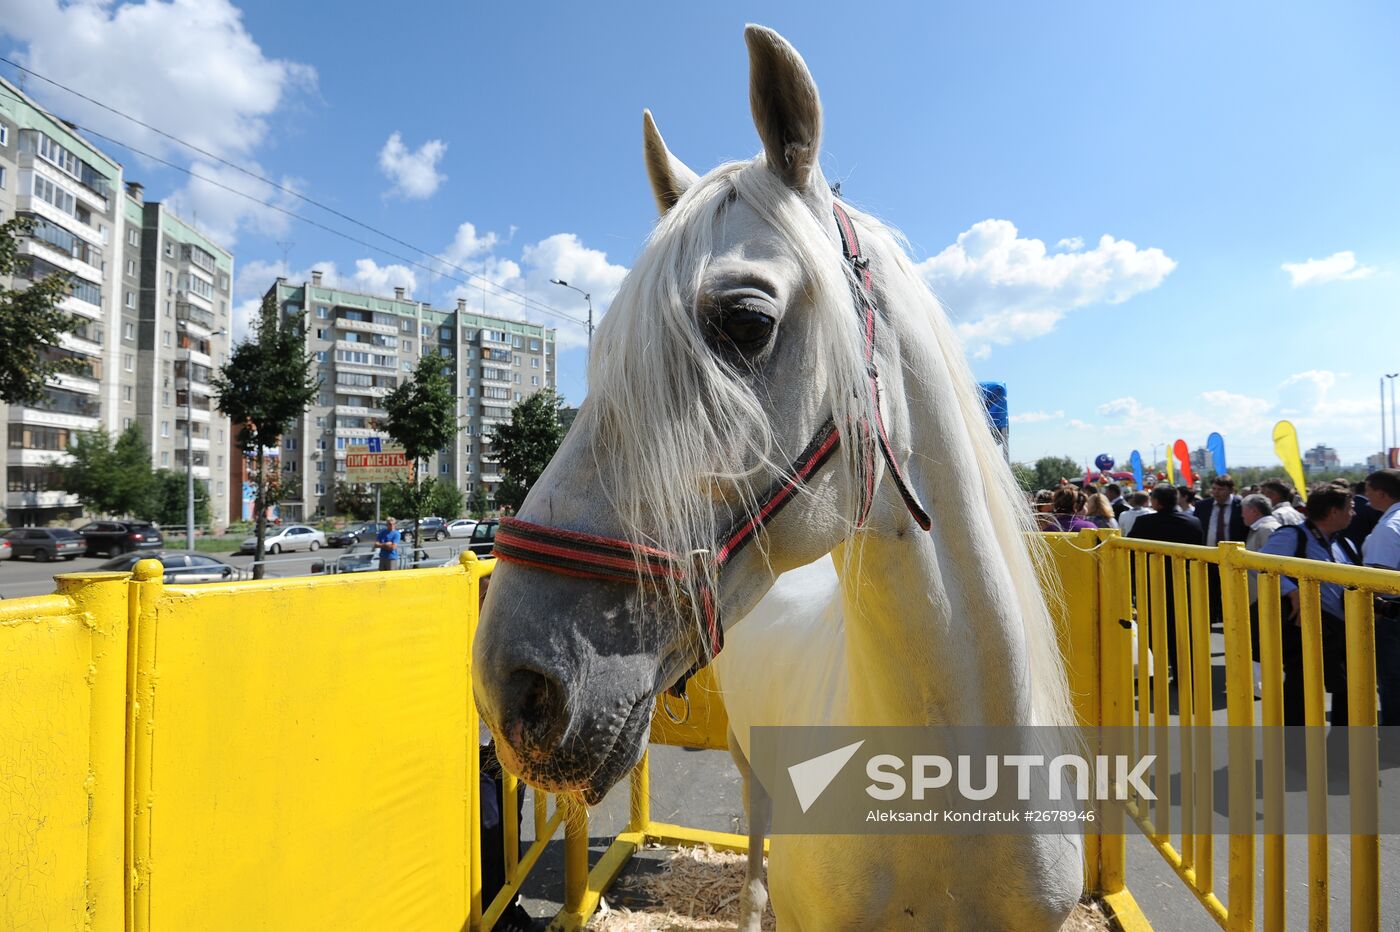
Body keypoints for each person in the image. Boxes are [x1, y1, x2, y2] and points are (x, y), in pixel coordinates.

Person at [1258, 485, 1358, 725]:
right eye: (1350, 508)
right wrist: (1292, 591)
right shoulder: (1293, 535)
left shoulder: (1342, 543)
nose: (1353, 514)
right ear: (1334, 512)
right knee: (1300, 689)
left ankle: (1342, 747)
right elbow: (1260, 564)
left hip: (1342, 630)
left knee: (1349, 688)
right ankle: (1296, 752)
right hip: (1307, 628)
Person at [1127, 484, 1204, 682]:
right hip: (1184, 584)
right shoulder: (1193, 522)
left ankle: (1156, 675)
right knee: (1182, 630)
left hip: (1151, 584)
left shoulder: (1144, 522)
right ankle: (1183, 675)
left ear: (1157, 502)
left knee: (1153, 630)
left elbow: (1130, 551)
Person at [1361, 468, 1400, 727]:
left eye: (1368, 490)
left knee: (1393, 680)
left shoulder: (1388, 528)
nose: (1364, 496)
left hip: (1392, 615)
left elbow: (1379, 578)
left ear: (1382, 493)